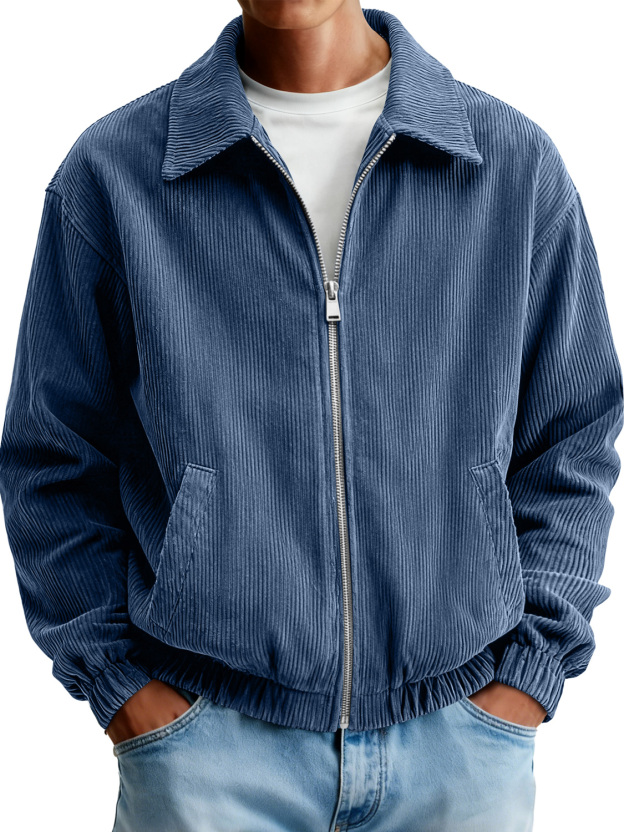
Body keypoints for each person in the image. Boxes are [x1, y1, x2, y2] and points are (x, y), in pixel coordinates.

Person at [0, 2, 622, 830]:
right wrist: (122, 688)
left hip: (461, 748)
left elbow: (573, 437)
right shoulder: (117, 174)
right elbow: (52, 458)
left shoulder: (510, 166)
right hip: (208, 754)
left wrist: (527, 680)